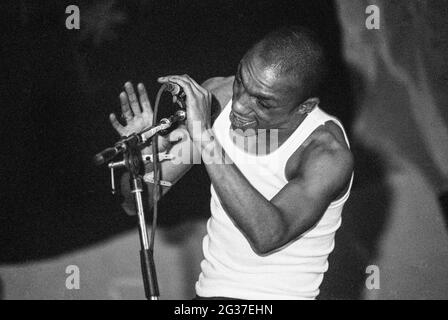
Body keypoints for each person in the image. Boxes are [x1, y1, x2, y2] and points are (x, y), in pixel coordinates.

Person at [109, 26, 354, 300]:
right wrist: (142, 157)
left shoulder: (325, 153)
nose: (239, 105)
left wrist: (206, 139)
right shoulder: (219, 98)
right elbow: (137, 202)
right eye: (240, 81)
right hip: (210, 296)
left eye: (262, 102)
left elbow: (268, 236)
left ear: (304, 107)